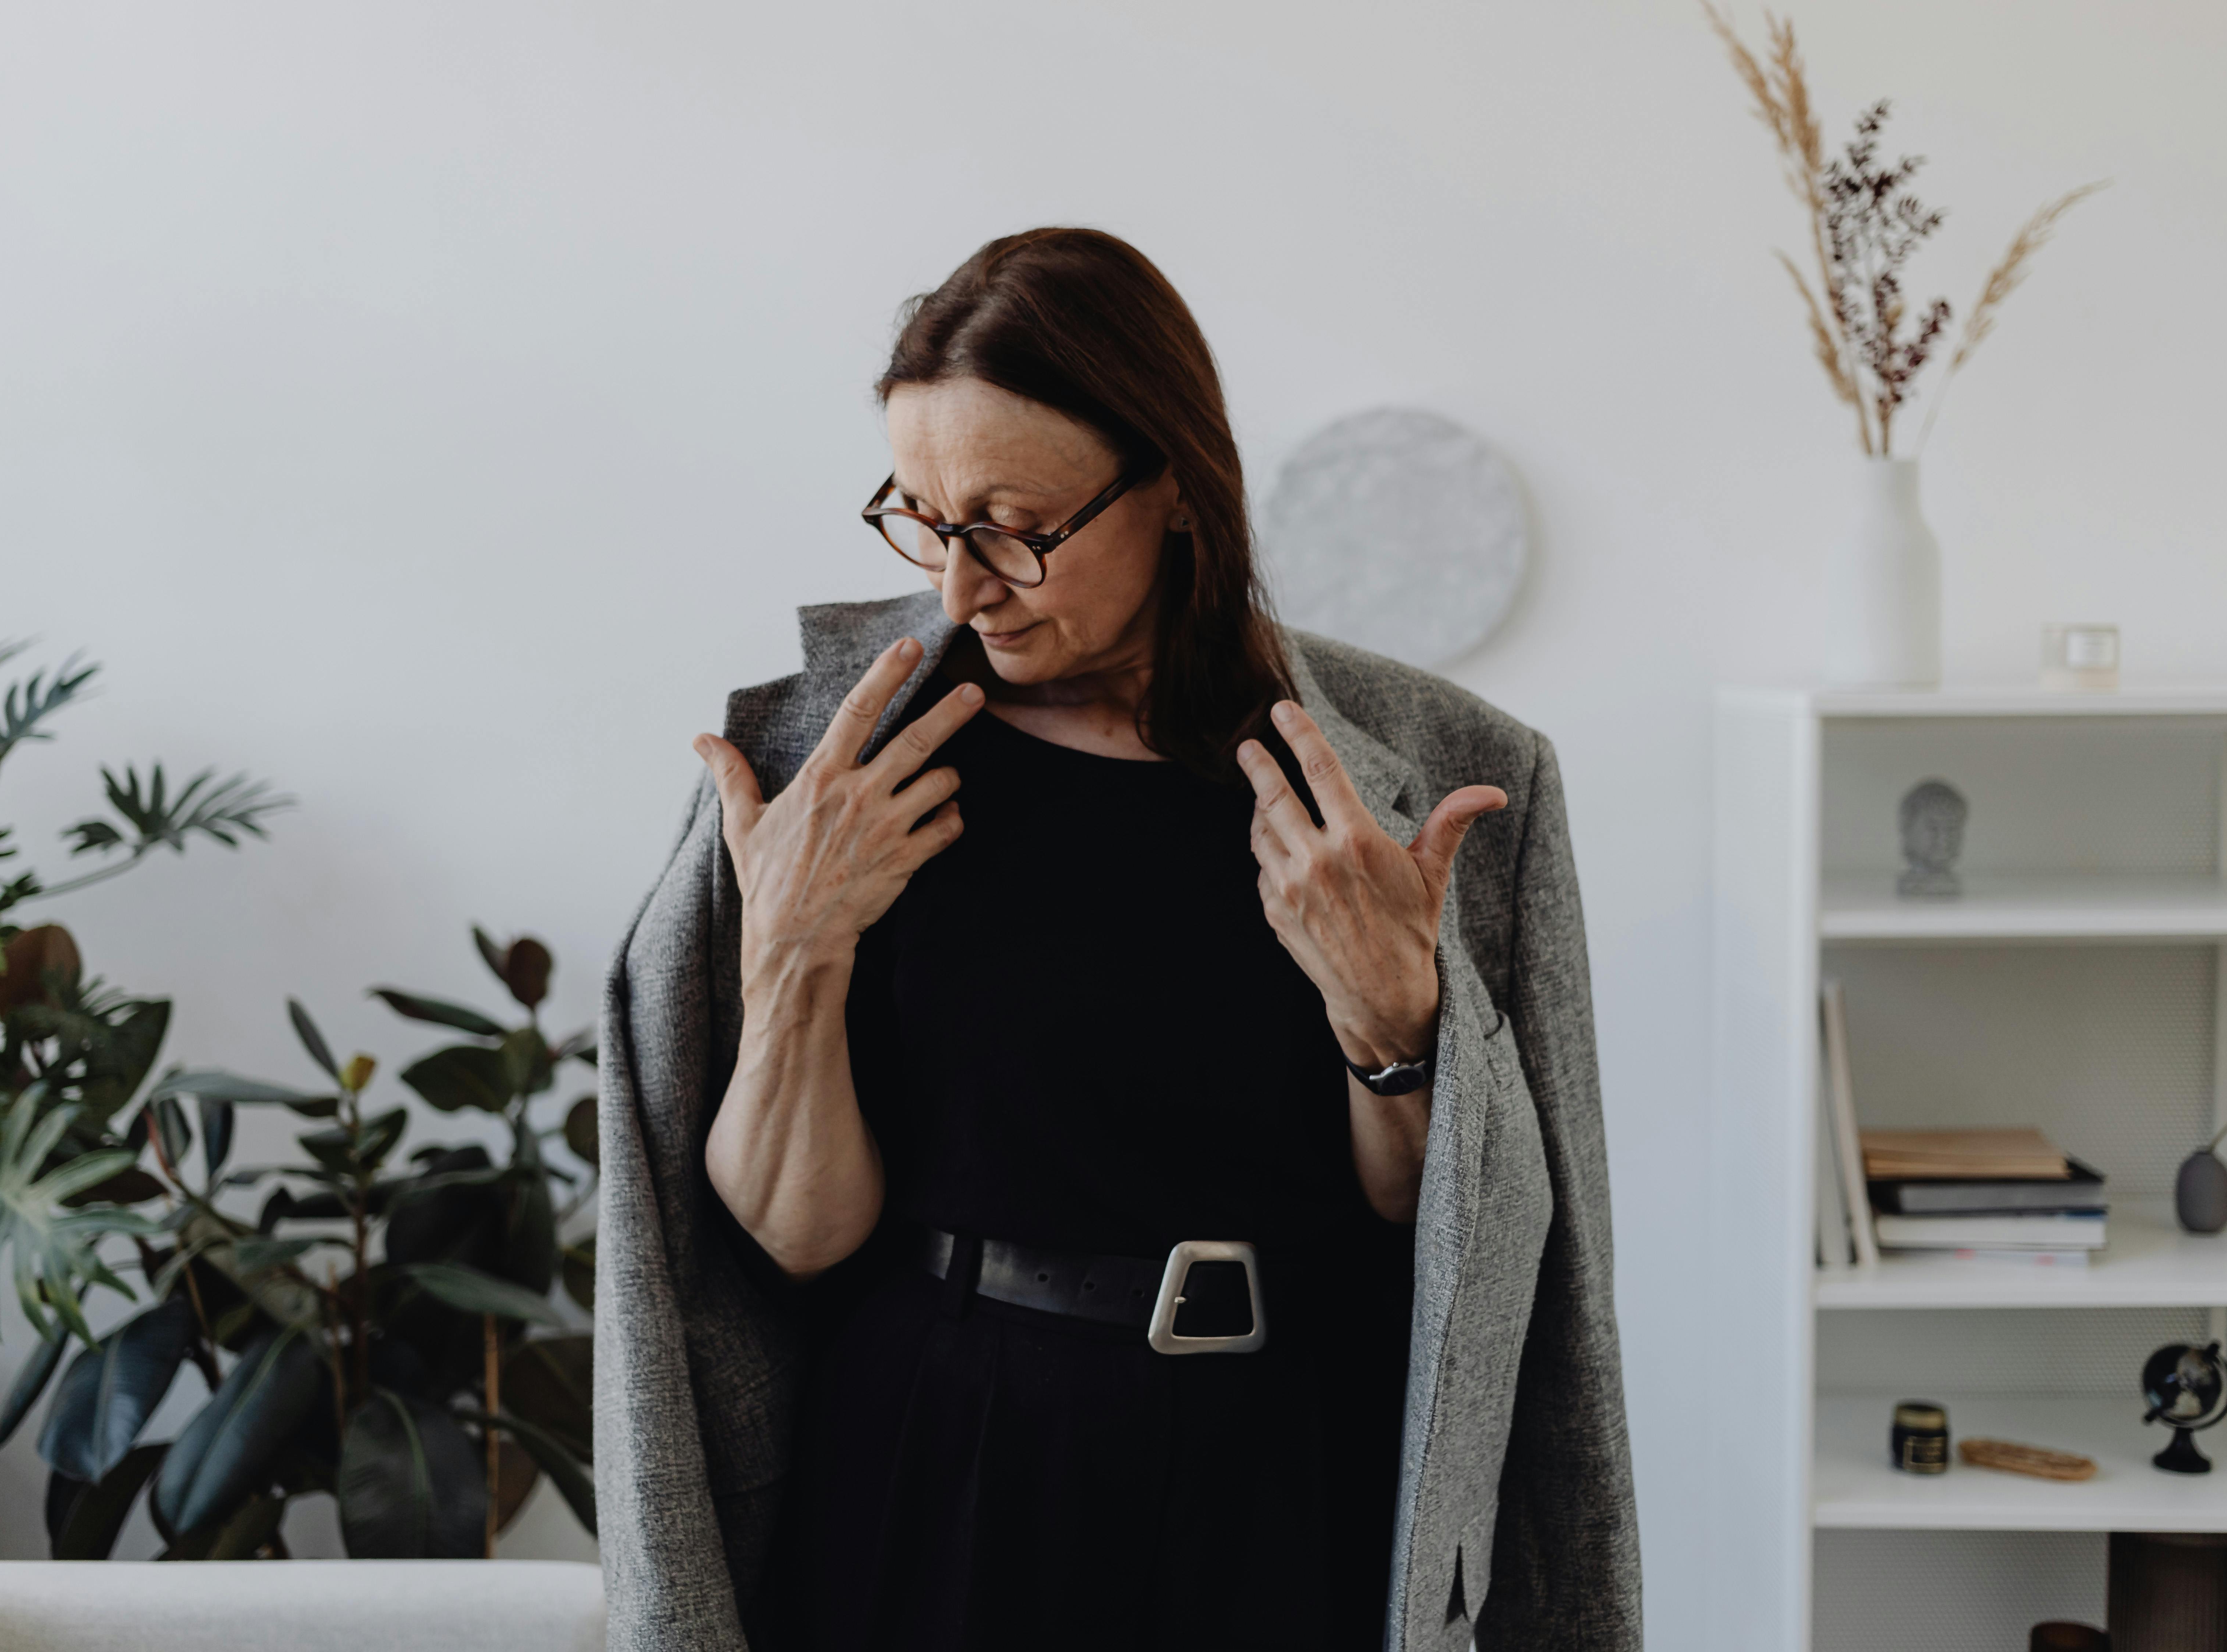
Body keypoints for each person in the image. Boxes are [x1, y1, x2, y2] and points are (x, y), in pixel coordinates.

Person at [594, 228, 1638, 1652]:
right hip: (938, 1472)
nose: (964, 587)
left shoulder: (1444, 775)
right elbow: (790, 1236)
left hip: (1294, 1479)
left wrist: (1395, 1022)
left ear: (1179, 492)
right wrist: (793, 949)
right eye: (921, 517)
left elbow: (1452, 1230)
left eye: (1015, 526)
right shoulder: (823, 773)